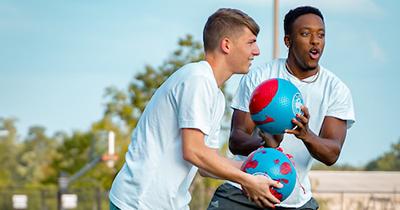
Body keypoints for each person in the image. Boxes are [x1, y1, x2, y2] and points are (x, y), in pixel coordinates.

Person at [109, 8, 283, 210]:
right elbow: (193, 151)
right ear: (226, 45)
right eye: (251, 42)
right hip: (138, 203)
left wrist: (261, 171)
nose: (257, 51)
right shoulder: (197, 79)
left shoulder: (215, 95)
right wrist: (247, 180)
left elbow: (207, 163)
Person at [207, 6, 356, 210]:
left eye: (321, 35)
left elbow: (332, 154)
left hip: (293, 199)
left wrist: (306, 134)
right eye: (305, 34)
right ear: (288, 41)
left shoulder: (336, 90)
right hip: (244, 189)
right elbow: (236, 139)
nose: (315, 41)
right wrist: (265, 142)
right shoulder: (260, 78)